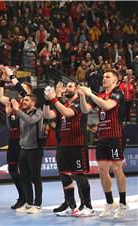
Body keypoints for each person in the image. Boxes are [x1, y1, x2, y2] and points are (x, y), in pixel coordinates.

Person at [78, 69, 129, 219]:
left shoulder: (118, 93)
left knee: (117, 168)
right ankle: (109, 202)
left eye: (108, 77)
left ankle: (123, 203)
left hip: (115, 136)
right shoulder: (100, 95)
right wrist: (82, 96)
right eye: (104, 76)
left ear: (115, 81)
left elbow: (107, 106)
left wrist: (90, 94)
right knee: (101, 170)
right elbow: (85, 109)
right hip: (102, 137)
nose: (104, 79)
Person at [43, 82, 94, 217]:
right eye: (66, 87)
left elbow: (68, 113)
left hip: (77, 144)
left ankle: (88, 206)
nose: (67, 88)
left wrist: (54, 98)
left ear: (77, 89)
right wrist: (47, 101)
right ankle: (72, 207)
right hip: (63, 145)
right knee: (65, 176)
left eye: (70, 86)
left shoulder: (79, 103)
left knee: (79, 175)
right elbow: (47, 115)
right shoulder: (63, 104)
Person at [0, 68, 32, 210]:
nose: (20, 90)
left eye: (23, 88)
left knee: (24, 171)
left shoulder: (29, 103)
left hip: (24, 141)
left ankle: (29, 199)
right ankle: (22, 196)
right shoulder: (15, 101)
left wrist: (11, 75)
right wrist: (3, 80)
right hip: (13, 140)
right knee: (12, 169)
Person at [11, 93, 44, 214]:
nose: (23, 101)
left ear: (33, 102)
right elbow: (12, 126)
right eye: (23, 100)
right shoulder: (22, 113)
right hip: (23, 148)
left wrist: (17, 110)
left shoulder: (38, 112)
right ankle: (29, 203)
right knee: (24, 177)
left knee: (36, 177)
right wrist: (10, 113)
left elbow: (30, 121)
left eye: (26, 100)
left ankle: (38, 204)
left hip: (35, 148)